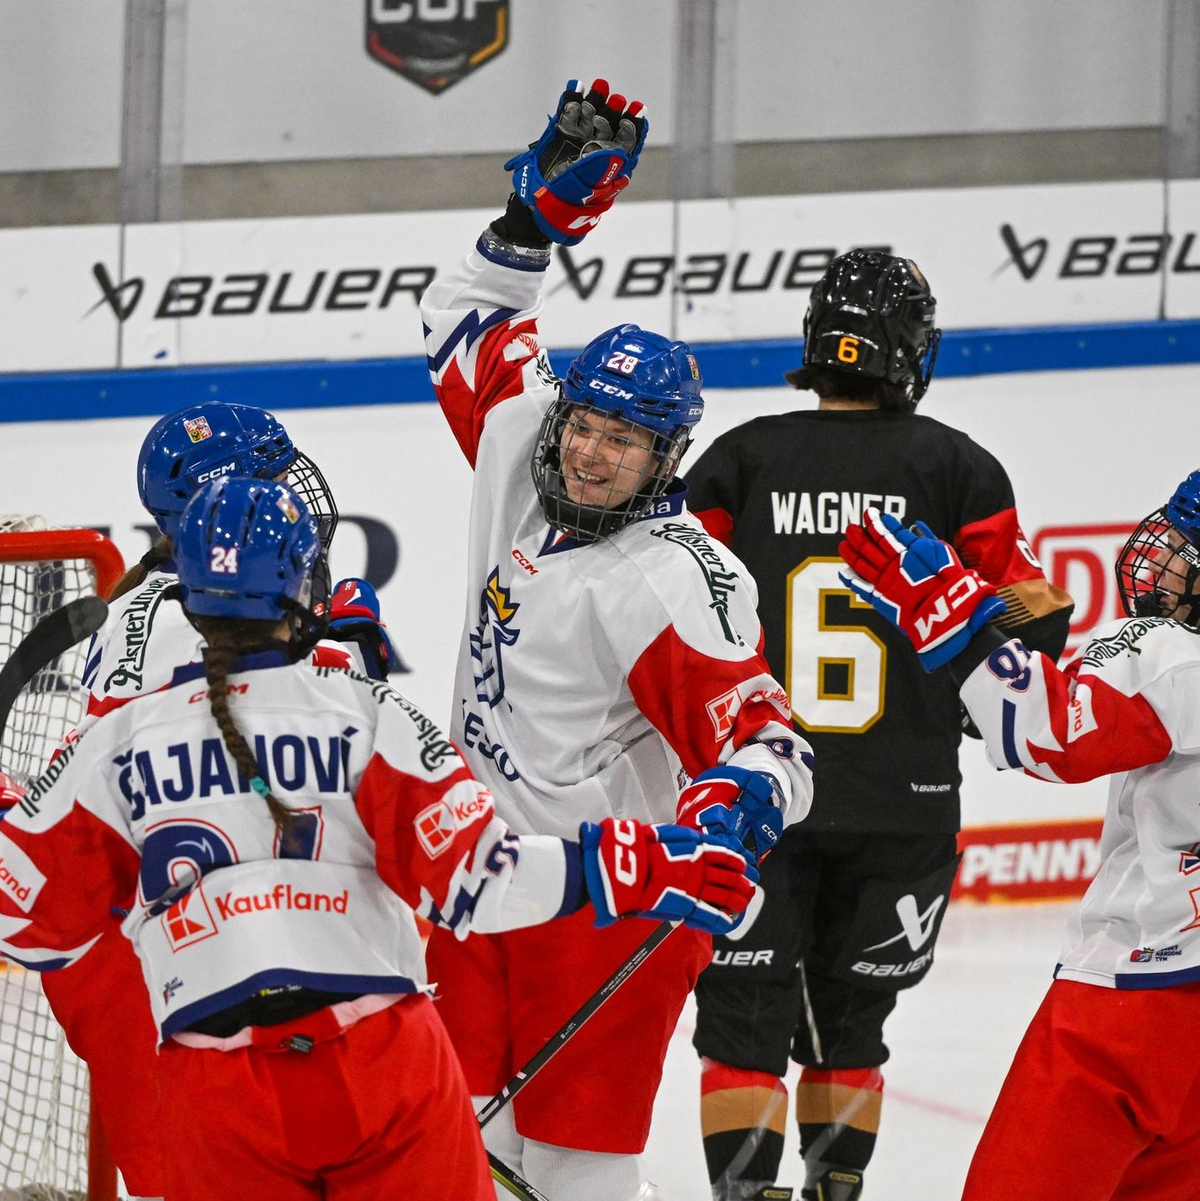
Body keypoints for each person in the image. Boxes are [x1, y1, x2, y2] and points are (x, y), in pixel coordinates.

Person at [0, 475, 758, 1201]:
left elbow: (32, 922)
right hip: (382, 1063)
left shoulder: (112, 743)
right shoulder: (366, 709)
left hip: (218, 1085)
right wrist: (641, 866)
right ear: (304, 582)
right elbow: (483, 881)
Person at [419, 77, 816, 1201]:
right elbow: (467, 317)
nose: (592, 453)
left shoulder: (675, 582)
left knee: (576, 1173)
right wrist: (529, 225)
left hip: (596, 910)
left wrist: (738, 800)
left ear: (668, 457)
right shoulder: (520, 452)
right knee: (457, 1153)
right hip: (474, 887)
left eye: (625, 442)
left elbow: (770, 742)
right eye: (585, 425)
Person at [683, 250, 1074, 1201]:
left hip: (756, 798)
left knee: (745, 1021)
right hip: (907, 803)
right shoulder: (956, 465)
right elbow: (1040, 628)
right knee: (853, 1024)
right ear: (909, 350)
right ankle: (836, 1192)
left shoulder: (742, 457)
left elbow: (672, 615)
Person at [40, 400, 397, 1199]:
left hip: (137, 940)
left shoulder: (161, 603)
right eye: (271, 484)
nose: (294, 502)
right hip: (165, 958)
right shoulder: (214, 625)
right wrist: (338, 649)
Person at [838, 472, 1200, 1201]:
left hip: (1137, 1004)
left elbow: (1049, 731)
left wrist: (952, 614)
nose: (1163, 566)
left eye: (1187, 554)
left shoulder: (1172, 654)